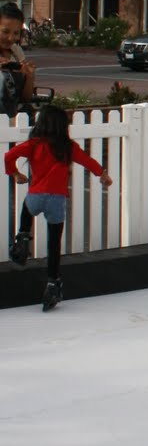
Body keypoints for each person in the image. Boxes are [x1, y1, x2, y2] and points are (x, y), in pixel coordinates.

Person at [5, 104, 113, 310]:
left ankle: (22, 239)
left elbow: (8, 156)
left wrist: (15, 173)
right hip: (57, 199)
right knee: (54, 244)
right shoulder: (67, 146)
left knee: (27, 211)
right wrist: (103, 174)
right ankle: (53, 284)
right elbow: (87, 161)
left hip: (36, 196)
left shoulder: (34, 144)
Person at [0, 1, 36, 116]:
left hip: (14, 121)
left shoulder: (17, 51)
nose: (11, 38)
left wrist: (29, 76)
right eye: (5, 32)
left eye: (16, 33)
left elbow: (25, 98)